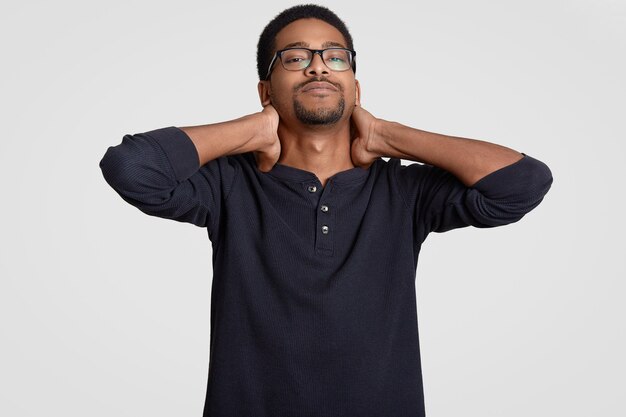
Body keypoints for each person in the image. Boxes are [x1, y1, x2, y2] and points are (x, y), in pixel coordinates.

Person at [100, 4, 552, 417]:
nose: (318, 65)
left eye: (335, 57)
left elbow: (522, 184)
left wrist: (388, 136)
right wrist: (250, 130)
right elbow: (131, 168)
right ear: (265, 89)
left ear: (355, 86)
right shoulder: (228, 183)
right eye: (296, 58)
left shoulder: (403, 189)